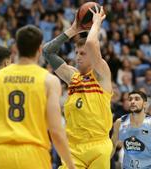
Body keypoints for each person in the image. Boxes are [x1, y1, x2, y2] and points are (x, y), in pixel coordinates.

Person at [0, 25, 74, 169]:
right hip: (34, 154)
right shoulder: (49, 81)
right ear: (40, 50)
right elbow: (55, 131)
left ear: (16, 47)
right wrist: (71, 165)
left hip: (1, 154)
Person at [43, 5, 113, 169]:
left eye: (83, 53)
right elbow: (47, 52)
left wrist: (96, 23)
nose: (78, 57)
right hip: (73, 148)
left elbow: (90, 43)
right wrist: (73, 29)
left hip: (98, 146)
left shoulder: (102, 75)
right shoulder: (72, 76)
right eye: (76, 53)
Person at [111, 90, 151, 169]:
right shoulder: (119, 122)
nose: (132, 101)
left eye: (137, 99)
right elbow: (112, 146)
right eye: (130, 99)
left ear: (145, 104)